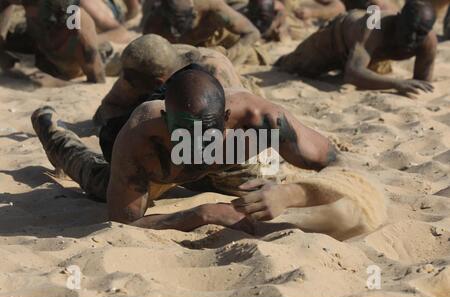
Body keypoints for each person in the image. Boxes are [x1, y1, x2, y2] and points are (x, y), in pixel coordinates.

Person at [31, 65, 337, 233]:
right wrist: (201, 214)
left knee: (263, 183)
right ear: (165, 120)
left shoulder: (262, 121)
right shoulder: (140, 137)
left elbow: (340, 165)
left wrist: (289, 194)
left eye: (206, 137)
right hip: (162, 172)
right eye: (185, 137)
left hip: (232, 166)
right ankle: (52, 131)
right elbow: (124, 223)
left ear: (227, 119)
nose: (196, 148)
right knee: (97, 181)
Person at [275, 0, 437, 97]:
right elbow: (353, 73)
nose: (412, 38)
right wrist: (397, 83)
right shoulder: (374, 25)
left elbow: (422, 83)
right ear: (399, 17)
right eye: (408, 30)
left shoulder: (428, 40)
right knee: (291, 66)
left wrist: (408, 86)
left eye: (420, 33)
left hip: (367, 55)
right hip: (333, 41)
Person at [93, 34, 245, 128]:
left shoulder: (214, 75)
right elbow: (108, 108)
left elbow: (231, 121)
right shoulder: (140, 65)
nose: (126, 82)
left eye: (131, 81)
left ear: (158, 82)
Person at [142, 0, 267, 65]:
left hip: (224, 46)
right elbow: (148, 54)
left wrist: (226, 57)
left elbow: (252, 33)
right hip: (183, 55)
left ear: (194, 12)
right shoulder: (154, 23)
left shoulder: (212, 7)